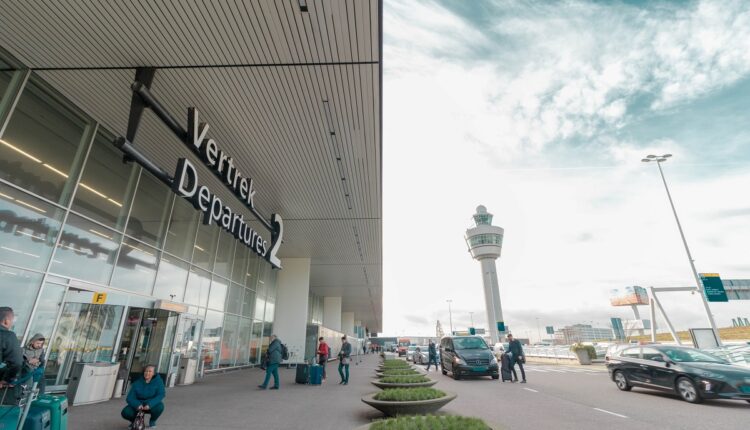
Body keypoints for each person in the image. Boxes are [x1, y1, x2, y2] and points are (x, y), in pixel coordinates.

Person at [0, 307, 23, 405]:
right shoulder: (8, 336)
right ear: (6, 321)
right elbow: (16, 363)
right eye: (12, 321)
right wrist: (6, 379)